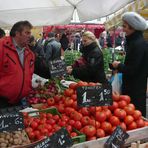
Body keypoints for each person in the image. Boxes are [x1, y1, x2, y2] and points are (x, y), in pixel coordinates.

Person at [112, 12, 148, 117]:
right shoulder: (136, 42)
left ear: (133, 28)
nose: (123, 29)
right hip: (135, 88)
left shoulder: (138, 44)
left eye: (125, 26)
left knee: (136, 117)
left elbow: (132, 70)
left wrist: (118, 65)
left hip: (134, 91)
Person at [0, 20, 35, 108]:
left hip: (19, 101)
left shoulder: (29, 53)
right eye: (27, 33)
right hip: (2, 102)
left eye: (30, 33)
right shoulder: (2, 47)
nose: (29, 36)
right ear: (17, 33)